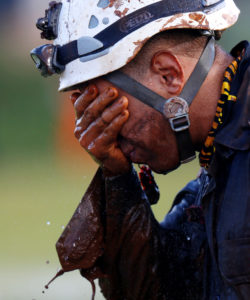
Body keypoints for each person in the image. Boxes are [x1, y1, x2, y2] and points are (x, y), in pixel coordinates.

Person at [31, 0, 250, 299]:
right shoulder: (219, 163)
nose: (106, 135)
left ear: (168, 74)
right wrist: (117, 176)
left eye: (107, 107)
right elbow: (161, 289)